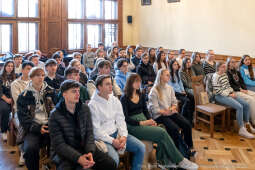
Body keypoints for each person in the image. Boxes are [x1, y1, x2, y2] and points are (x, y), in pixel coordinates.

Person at [121, 73, 199, 169]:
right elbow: (126, 118)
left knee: (162, 129)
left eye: (139, 81)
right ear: (130, 83)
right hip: (133, 126)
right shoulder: (124, 98)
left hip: (143, 120)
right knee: (161, 132)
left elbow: (145, 111)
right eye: (136, 81)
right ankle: (180, 160)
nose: (139, 84)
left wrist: (151, 120)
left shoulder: (140, 94)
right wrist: (142, 123)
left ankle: (163, 160)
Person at [49, 80, 117, 170]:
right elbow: (59, 145)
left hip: (84, 147)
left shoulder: (84, 108)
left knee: (110, 164)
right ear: (64, 94)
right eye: (74, 91)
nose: (78, 94)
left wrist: (89, 151)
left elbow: (89, 133)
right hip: (65, 153)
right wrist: (78, 158)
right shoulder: (55, 115)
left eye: (78, 91)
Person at [88, 75, 145, 170]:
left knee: (141, 148)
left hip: (116, 133)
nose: (111, 86)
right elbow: (96, 131)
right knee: (114, 160)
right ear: (99, 87)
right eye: (107, 84)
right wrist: (112, 141)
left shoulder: (114, 99)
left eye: (111, 84)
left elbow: (121, 120)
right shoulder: (92, 105)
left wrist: (123, 136)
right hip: (103, 139)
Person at [17, 67, 57, 170]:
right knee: (30, 149)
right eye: (37, 75)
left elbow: (58, 110)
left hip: (51, 125)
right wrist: (38, 128)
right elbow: (23, 119)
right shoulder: (24, 96)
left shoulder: (51, 91)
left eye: (43, 75)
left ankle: (49, 163)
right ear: (31, 77)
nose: (41, 77)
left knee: (62, 143)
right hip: (33, 128)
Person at [148, 69, 195, 158]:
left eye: (169, 75)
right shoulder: (154, 90)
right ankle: (176, 152)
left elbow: (174, 102)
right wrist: (166, 112)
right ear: (161, 76)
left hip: (169, 112)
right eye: (167, 75)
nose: (169, 77)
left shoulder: (169, 88)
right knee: (174, 129)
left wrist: (172, 109)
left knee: (187, 124)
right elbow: (154, 109)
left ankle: (189, 147)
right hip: (159, 115)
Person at [212, 62, 254, 139]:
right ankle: (241, 129)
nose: (224, 68)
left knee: (246, 104)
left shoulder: (224, 75)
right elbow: (217, 90)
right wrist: (229, 95)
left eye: (225, 67)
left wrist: (232, 92)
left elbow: (228, 86)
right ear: (218, 68)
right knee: (239, 107)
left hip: (229, 93)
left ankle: (247, 125)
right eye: (222, 67)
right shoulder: (215, 76)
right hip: (219, 96)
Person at [11, 61, 34, 166]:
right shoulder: (15, 84)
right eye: (28, 69)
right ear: (22, 70)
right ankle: (23, 152)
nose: (30, 71)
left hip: (34, 111)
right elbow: (18, 101)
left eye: (31, 69)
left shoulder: (35, 82)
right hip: (20, 111)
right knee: (23, 124)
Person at [227, 57, 255, 126]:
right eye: (232, 62)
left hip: (242, 90)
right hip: (235, 91)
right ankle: (253, 121)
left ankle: (251, 118)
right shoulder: (227, 72)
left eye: (235, 62)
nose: (234, 63)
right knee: (251, 100)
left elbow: (242, 82)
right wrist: (240, 90)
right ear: (228, 64)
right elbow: (231, 85)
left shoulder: (237, 71)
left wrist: (245, 89)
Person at [169, 59, 195, 125]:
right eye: (174, 64)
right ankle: (183, 118)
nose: (176, 66)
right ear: (171, 66)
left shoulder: (177, 73)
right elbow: (170, 87)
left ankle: (189, 117)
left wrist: (182, 90)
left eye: (177, 64)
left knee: (192, 98)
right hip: (174, 92)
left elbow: (180, 83)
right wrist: (180, 92)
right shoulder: (169, 74)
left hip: (180, 91)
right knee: (187, 101)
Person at [0, 60, 17, 141]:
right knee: (4, 109)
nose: (10, 68)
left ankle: (15, 128)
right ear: (5, 67)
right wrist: (6, 99)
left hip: (14, 97)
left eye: (11, 66)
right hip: (3, 97)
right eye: (8, 66)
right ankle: (3, 130)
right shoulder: (1, 77)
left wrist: (13, 99)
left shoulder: (16, 76)